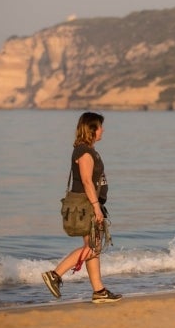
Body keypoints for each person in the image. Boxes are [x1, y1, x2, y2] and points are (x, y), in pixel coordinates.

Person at [42, 112, 122, 303]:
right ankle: (55, 274)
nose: (103, 130)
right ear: (92, 129)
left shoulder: (86, 149)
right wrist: (96, 207)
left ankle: (99, 291)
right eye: (101, 127)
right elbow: (87, 181)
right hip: (87, 205)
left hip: (89, 204)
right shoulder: (84, 152)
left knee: (92, 248)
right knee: (93, 248)